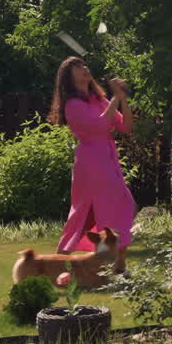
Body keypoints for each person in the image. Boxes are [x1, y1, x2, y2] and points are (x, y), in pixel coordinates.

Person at [49, 56, 136, 271]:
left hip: (107, 161)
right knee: (96, 212)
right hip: (91, 164)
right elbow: (99, 125)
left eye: (85, 65)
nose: (84, 69)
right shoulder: (73, 104)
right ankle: (62, 263)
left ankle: (115, 264)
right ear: (68, 77)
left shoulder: (99, 100)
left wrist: (122, 99)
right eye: (77, 67)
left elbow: (125, 126)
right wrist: (115, 97)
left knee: (112, 209)